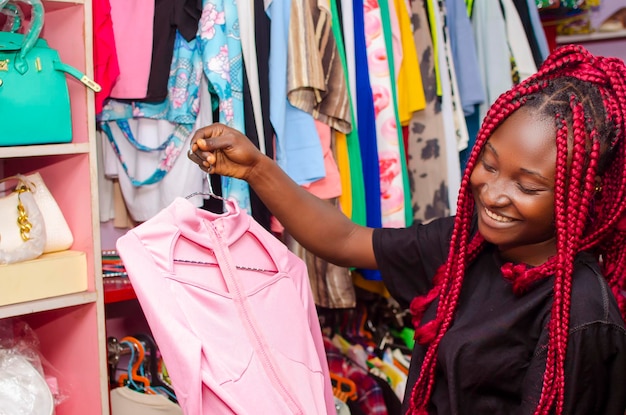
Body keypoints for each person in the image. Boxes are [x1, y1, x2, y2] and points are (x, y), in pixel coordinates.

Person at [188, 44, 626, 414]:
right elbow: (345, 239)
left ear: (585, 192)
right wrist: (258, 169)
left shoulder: (582, 315)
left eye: (527, 185)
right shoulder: (466, 244)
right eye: (488, 164)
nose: (492, 194)